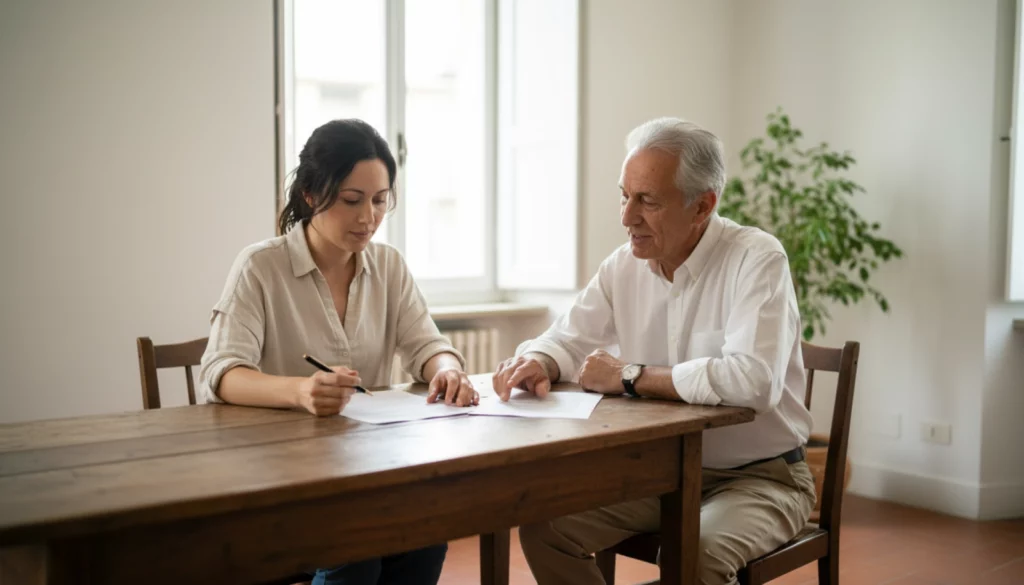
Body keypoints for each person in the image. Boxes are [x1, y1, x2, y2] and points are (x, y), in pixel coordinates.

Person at [491, 117, 816, 585]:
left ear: (703, 205)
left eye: (648, 201)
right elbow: (567, 336)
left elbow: (754, 383)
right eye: (624, 196)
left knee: (693, 555)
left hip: (763, 479)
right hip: (661, 474)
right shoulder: (623, 265)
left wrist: (631, 375)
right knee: (546, 527)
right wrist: (539, 359)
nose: (626, 217)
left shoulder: (757, 258)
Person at [199, 118, 477, 585]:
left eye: (379, 200)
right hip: (279, 481)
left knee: (427, 535)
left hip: (369, 475)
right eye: (351, 200)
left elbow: (428, 346)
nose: (368, 217)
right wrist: (302, 392)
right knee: (357, 549)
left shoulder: (388, 267)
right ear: (310, 194)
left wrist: (447, 369)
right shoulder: (261, 268)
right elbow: (221, 372)